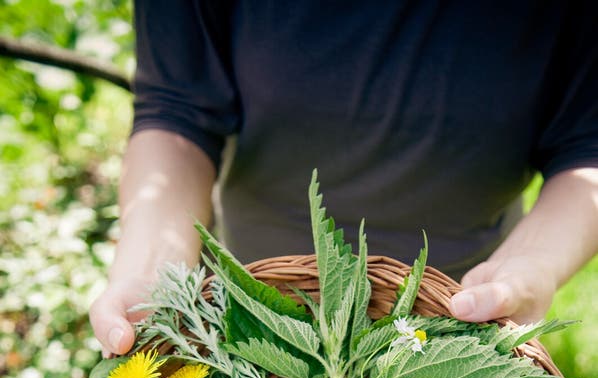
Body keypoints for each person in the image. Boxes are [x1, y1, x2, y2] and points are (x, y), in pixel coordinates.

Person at [90, 1, 598, 358]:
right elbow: (178, 111)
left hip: (459, 318)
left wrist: (529, 267)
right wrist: (152, 271)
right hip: (260, 313)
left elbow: (587, 148)